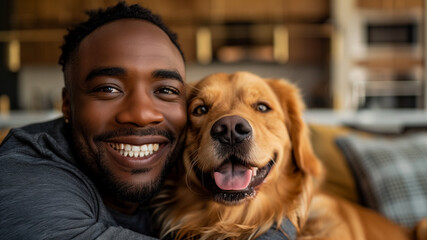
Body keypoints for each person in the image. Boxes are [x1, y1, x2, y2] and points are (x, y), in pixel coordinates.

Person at [0, 2, 293, 239]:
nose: (142, 115)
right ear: (68, 104)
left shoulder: (177, 162)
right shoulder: (22, 174)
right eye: (108, 88)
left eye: (166, 90)